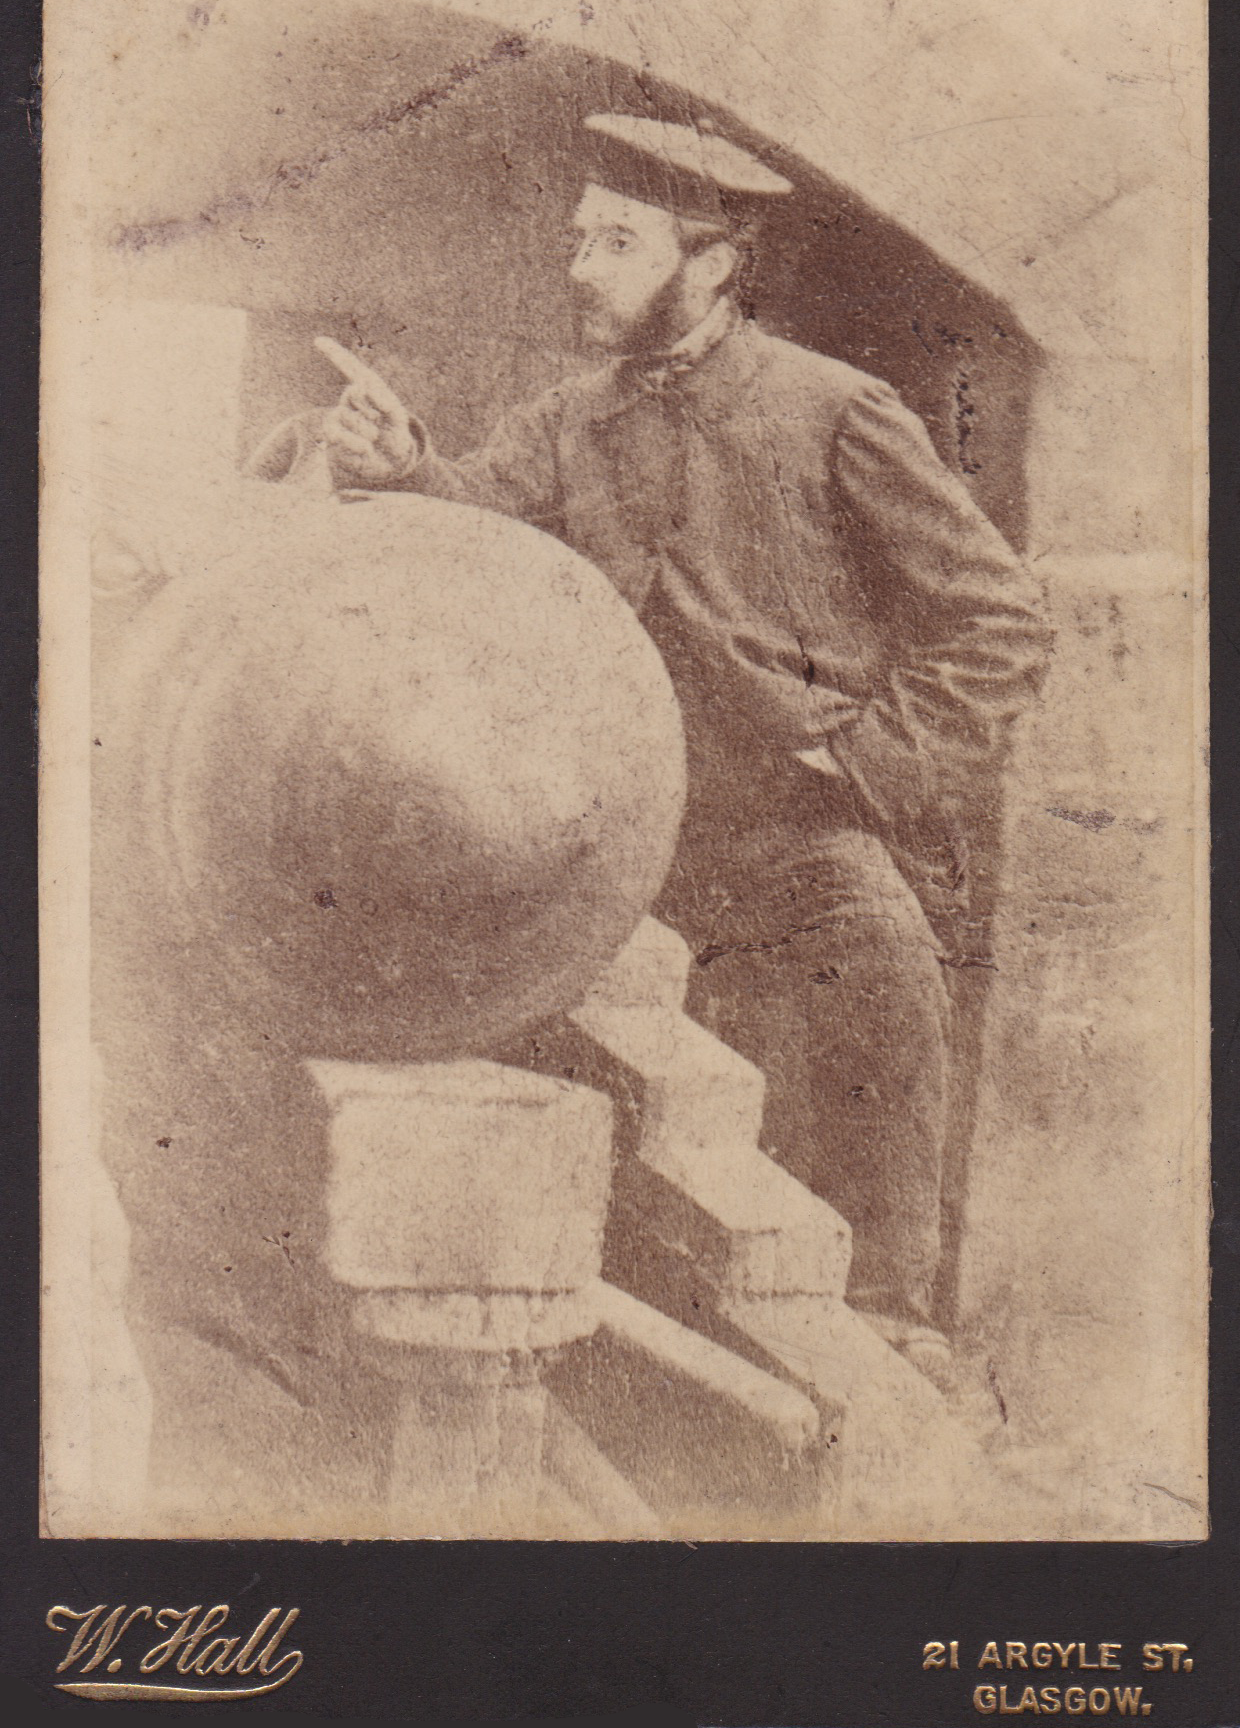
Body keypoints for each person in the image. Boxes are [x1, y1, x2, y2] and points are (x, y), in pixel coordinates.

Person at [250, 112, 1052, 1375]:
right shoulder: (570, 417)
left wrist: (861, 766)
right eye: (578, 239)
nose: (578, 268)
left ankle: (891, 1327)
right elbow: (481, 521)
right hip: (614, 831)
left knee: (884, 974)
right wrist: (405, 466)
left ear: (714, 260)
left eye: (613, 243)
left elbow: (1000, 623)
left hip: (792, 830)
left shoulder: (836, 410)